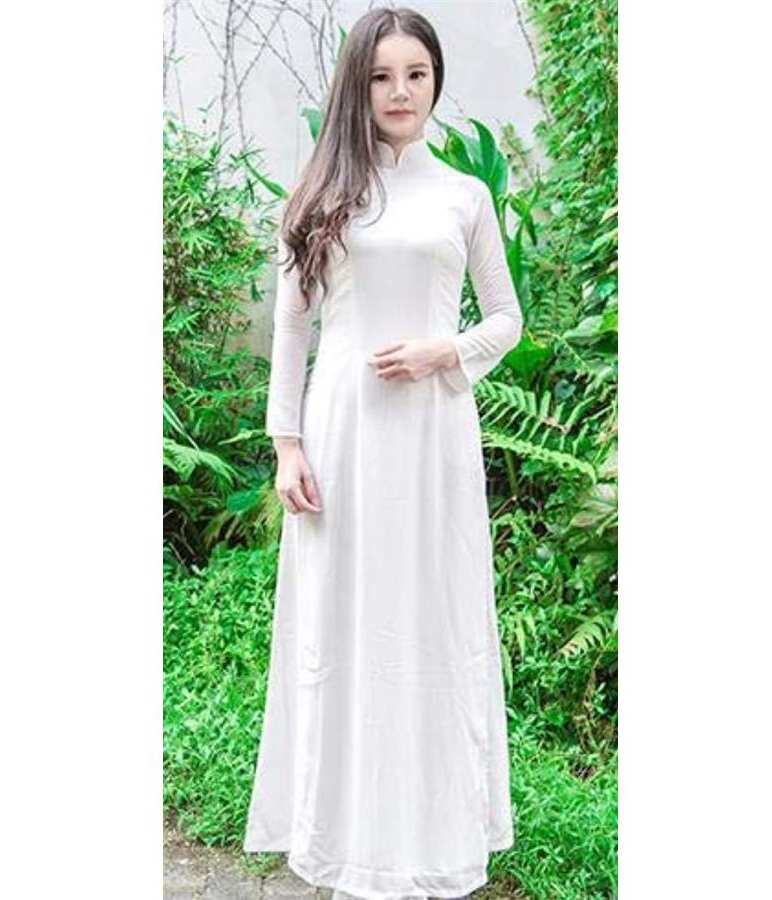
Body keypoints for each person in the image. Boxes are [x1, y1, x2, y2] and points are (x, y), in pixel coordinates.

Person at [242, 7, 522, 900]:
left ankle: (432, 841)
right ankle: (345, 842)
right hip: (341, 438)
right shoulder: (323, 193)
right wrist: (286, 444)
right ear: (356, 86)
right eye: (381, 77)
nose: (400, 92)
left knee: (432, 621)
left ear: (436, 81)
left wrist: (448, 351)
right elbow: (292, 329)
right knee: (342, 625)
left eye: (416, 74)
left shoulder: (464, 196)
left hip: (434, 440)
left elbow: (507, 319)